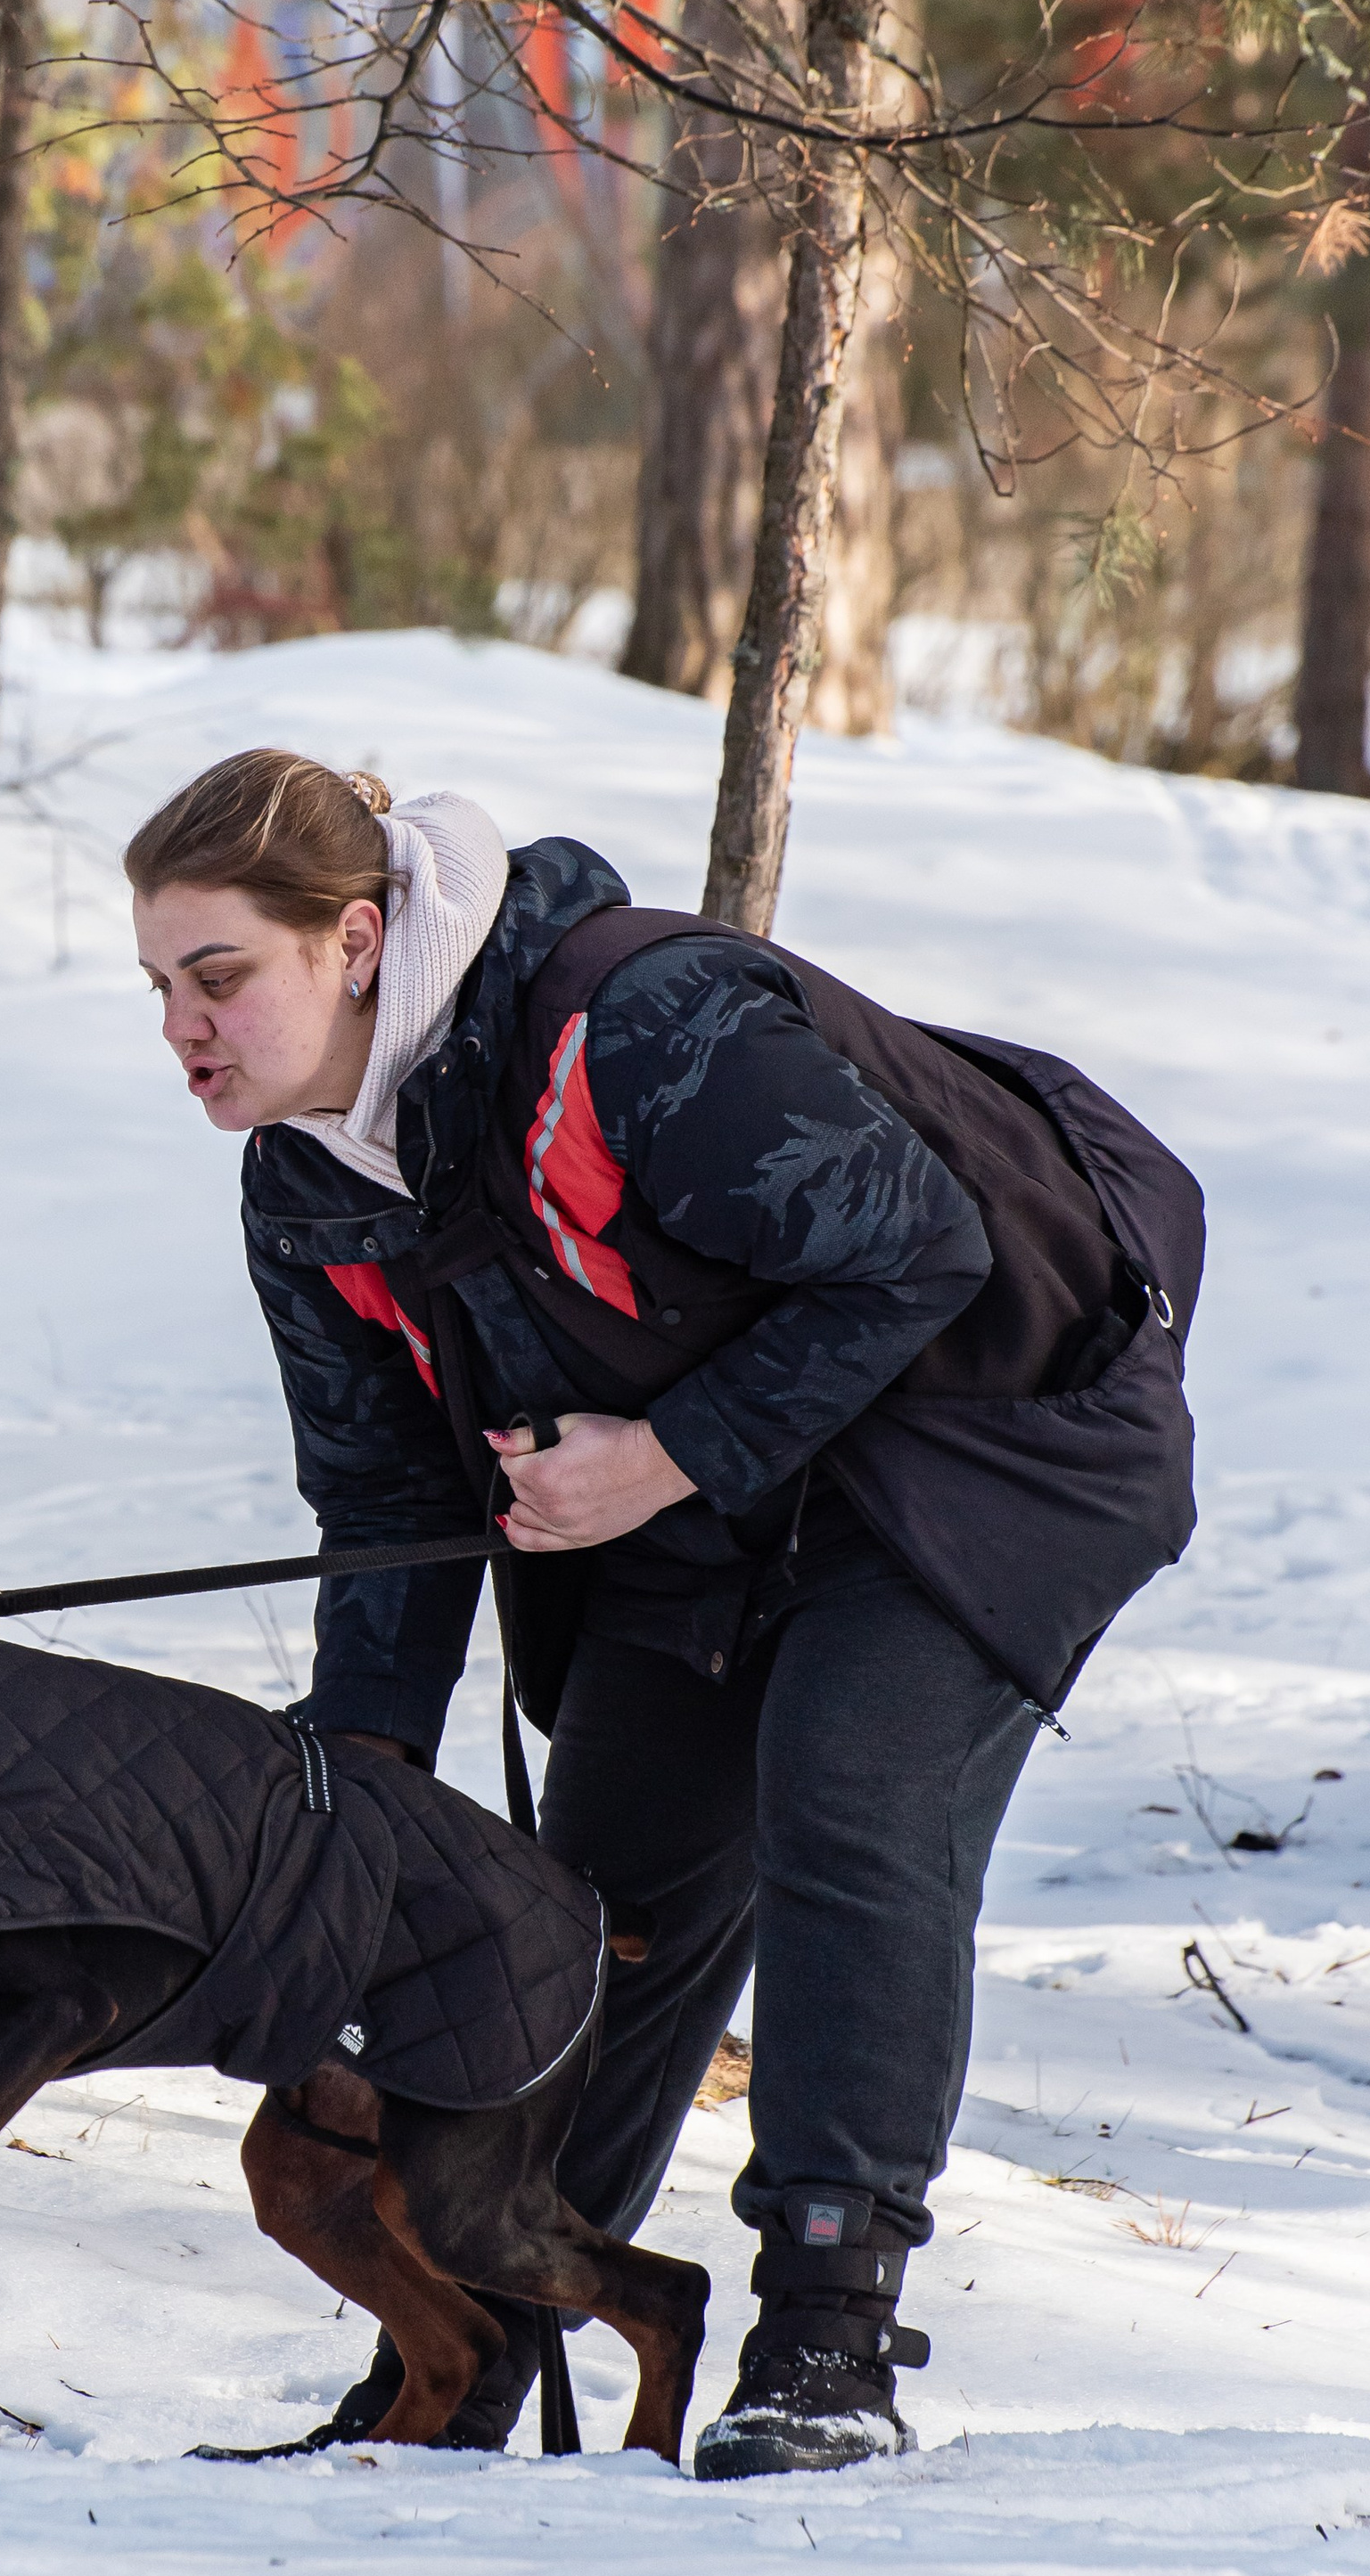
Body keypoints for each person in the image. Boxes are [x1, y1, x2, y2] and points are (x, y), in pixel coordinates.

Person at [127, 751, 1202, 2478]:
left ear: (348, 938)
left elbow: (917, 1247)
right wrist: (353, 1820)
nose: (179, 1026)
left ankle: (821, 2345)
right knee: (585, 1904)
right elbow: (390, 1511)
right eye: (158, 988)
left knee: (845, 1787)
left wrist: (658, 1462)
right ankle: (475, 2342)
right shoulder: (303, 1191)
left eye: (217, 976)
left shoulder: (632, 1025)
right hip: (713, 1502)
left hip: (985, 1434)